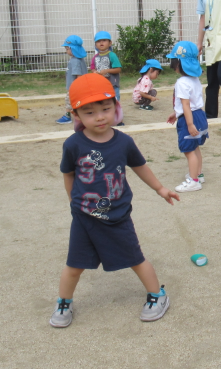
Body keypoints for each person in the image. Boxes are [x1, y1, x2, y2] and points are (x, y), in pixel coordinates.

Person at [50, 73, 179, 328]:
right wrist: (73, 204)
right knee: (74, 265)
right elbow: (69, 175)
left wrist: (160, 189)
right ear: (76, 115)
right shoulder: (73, 145)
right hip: (84, 218)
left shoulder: (123, 142)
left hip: (118, 216)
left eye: (105, 109)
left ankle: (157, 295)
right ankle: (64, 301)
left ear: (116, 107)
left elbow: (140, 166)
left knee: (135, 258)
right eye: (89, 112)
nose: (99, 117)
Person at [165, 41, 209, 192]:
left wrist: (189, 124)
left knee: (189, 151)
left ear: (178, 64)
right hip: (200, 115)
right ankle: (198, 173)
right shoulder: (195, 79)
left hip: (190, 118)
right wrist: (175, 114)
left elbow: (186, 106)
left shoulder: (181, 82)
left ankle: (194, 181)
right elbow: (192, 103)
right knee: (195, 147)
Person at [56, 35, 88, 125]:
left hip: (74, 87)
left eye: (67, 49)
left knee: (69, 101)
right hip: (81, 86)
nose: (66, 51)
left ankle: (67, 116)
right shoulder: (80, 60)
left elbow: (78, 75)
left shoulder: (75, 61)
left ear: (73, 49)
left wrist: (75, 87)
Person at [91, 31, 122, 100]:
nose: (101, 43)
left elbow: (118, 69)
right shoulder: (95, 57)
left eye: (104, 40)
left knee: (115, 100)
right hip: (100, 85)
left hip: (112, 84)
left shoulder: (112, 55)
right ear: (95, 44)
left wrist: (107, 70)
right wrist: (94, 72)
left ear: (110, 43)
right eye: (98, 41)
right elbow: (93, 68)